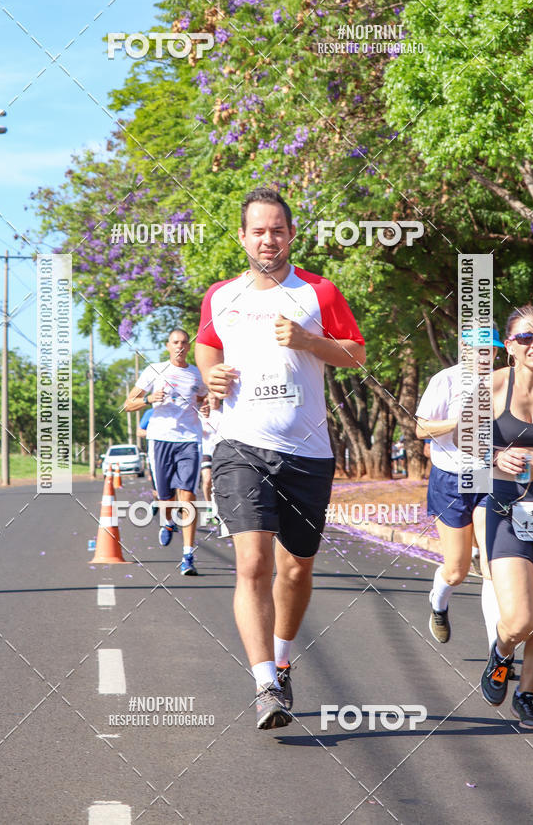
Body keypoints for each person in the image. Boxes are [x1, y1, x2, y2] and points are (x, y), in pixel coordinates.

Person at [195, 187, 365, 729]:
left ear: (291, 235)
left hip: (307, 452)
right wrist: (209, 373)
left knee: (295, 569)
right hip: (240, 445)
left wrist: (309, 341)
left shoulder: (318, 293)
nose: (268, 239)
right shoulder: (220, 296)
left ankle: (283, 658)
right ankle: (265, 682)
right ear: (243, 237)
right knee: (253, 563)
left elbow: (356, 355)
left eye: (277, 230)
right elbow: (207, 343)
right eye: (258, 230)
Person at [480, 307, 533, 729]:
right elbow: (460, 450)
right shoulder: (492, 387)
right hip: (504, 507)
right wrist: (495, 454)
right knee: (520, 619)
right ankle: (500, 653)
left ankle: (527, 696)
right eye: (526, 338)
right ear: (509, 346)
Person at [416, 326, 504, 643]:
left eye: (491, 350)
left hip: (487, 478)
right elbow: (421, 429)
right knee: (456, 570)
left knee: (493, 565)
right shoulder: (446, 380)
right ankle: (438, 604)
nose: (486, 356)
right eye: (479, 349)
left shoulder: (504, 383)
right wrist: (459, 422)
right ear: (465, 349)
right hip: (450, 479)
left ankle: (498, 650)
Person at [124, 329, 208, 575]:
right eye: (175, 343)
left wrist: (206, 407)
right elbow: (129, 404)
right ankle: (169, 522)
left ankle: (188, 555)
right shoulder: (154, 371)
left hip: (189, 440)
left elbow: (203, 398)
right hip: (160, 439)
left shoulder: (196, 374)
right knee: (165, 497)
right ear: (168, 346)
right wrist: (150, 399)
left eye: (184, 343)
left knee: (188, 495)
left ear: (188, 346)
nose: (180, 346)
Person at [199, 394, 222, 519]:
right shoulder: (202, 412)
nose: (214, 401)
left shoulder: (224, 411)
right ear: (207, 399)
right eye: (212, 398)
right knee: (207, 479)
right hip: (206, 451)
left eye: (216, 399)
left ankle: (217, 507)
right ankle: (209, 506)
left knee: (218, 482)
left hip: (220, 450)